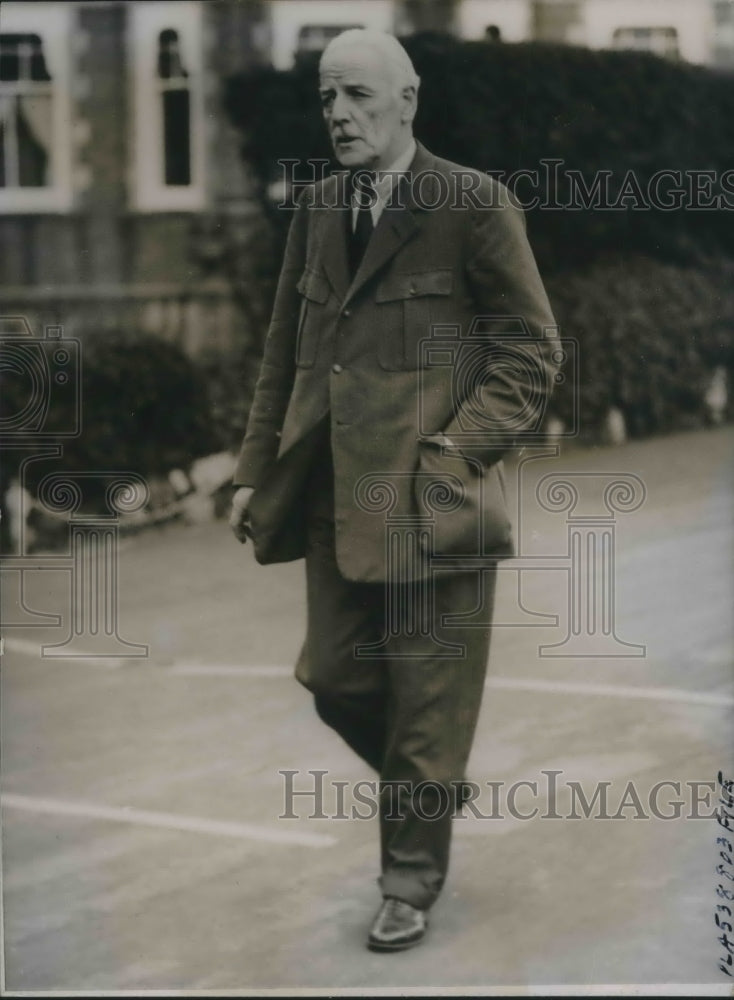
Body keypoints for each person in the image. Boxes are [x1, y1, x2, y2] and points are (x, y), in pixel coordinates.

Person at [230, 28, 556, 952]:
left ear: (407, 101)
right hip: (338, 505)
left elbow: (532, 352)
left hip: (432, 509)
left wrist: (456, 454)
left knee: (423, 706)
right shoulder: (318, 210)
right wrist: (256, 470)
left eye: (358, 96)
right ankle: (434, 790)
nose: (338, 113)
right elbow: (284, 357)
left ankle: (408, 878)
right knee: (334, 681)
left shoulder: (471, 204)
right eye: (328, 97)